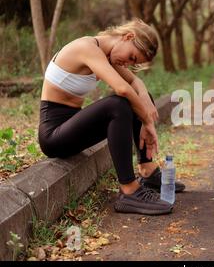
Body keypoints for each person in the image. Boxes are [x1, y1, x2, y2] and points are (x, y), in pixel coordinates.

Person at [38, 18, 185, 216]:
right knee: (118, 104)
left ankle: (148, 171)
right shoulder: (86, 47)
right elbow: (123, 89)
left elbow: (135, 82)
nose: (129, 63)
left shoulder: (106, 56)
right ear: (128, 37)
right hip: (53, 136)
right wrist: (147, 123)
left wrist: (145, 102)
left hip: (71, 127)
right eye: (132, 57)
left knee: (140, 99)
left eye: (134, 62)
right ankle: (129, 191)